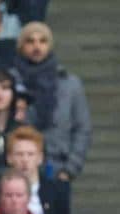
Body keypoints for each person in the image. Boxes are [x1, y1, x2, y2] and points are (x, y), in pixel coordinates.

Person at [14, 21, 92, 181]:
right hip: (16, 171)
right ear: (21, 46)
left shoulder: (70, 84)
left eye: (43, 41)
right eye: (30, 41)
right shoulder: (10, 82)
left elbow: (82, 127)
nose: (37, 46)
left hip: (58, 168)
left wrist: (70, 169)